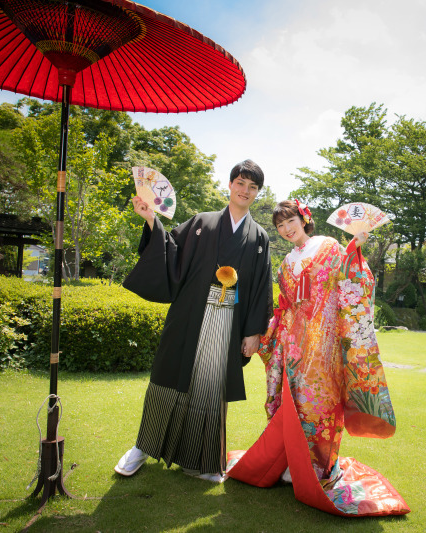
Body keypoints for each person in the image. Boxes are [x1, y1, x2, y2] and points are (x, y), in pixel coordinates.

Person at [227, 200, 410, 516]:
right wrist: (266, 335)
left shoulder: (326, 245)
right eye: (281, 225)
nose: (286, 229)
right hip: (295, 341)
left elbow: (347, 278)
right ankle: (292, 464)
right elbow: (283, 304)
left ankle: (321, 468)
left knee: (320, 404)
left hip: (323, 339)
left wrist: (355, 246)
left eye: (290, 221)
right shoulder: (286, 262)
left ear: (304, 218)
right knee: (294, 403)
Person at [115, 159, 273, 483]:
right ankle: (142, 448)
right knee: (165, 378)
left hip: (226, 320)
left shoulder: (259, 238)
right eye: (240, 183)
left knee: (209, 390)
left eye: (252, 187)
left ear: (257, 193)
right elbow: (170, 250)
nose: (245, 191)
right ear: (230, 185)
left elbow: (260, 287)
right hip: (189, 312)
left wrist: (254, 332)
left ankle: (201, 461)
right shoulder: (203, 221)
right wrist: (150, 219)